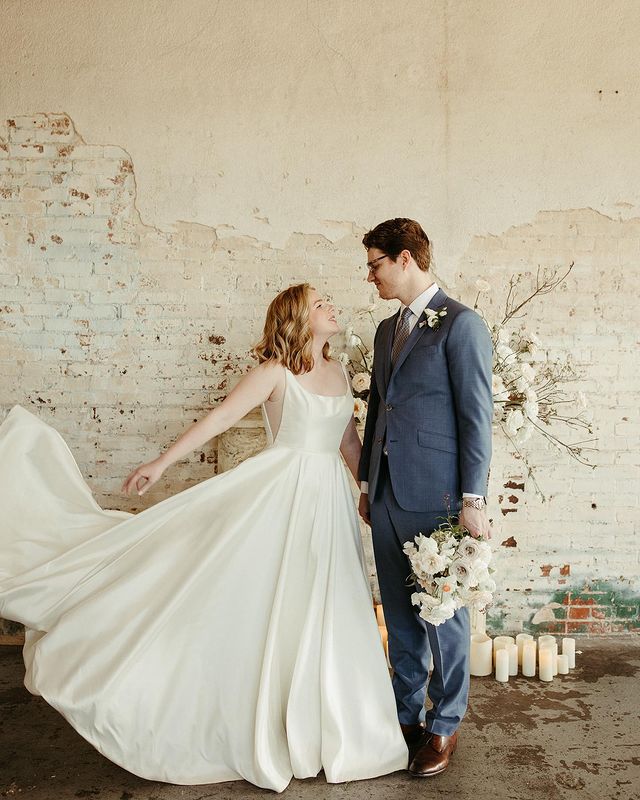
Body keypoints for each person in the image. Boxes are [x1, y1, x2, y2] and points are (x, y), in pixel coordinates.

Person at [0, 283, 408, 792]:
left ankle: (328, 722)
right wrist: (161, 463)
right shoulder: (274, 372)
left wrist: (366, 491)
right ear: (297, 317)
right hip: (281, 494)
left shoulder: (340, 372)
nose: (331, 306)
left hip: (328, 499)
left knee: (327, 601)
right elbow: (221, 418)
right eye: (320, 303)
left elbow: (347, 440)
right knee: (268, 600)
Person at [358, 218, 493, 778]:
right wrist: (367, 483)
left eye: (376, 265)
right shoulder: (385, 330)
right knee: (399, 613)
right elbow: (378, 408)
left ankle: (446, 722)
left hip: (438, 494)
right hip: (387, 492)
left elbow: (476, 416)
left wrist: (473, 499)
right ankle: (406, 717)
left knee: (444, 615)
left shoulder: (462, 324)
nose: (370, 276)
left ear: (406, 258)